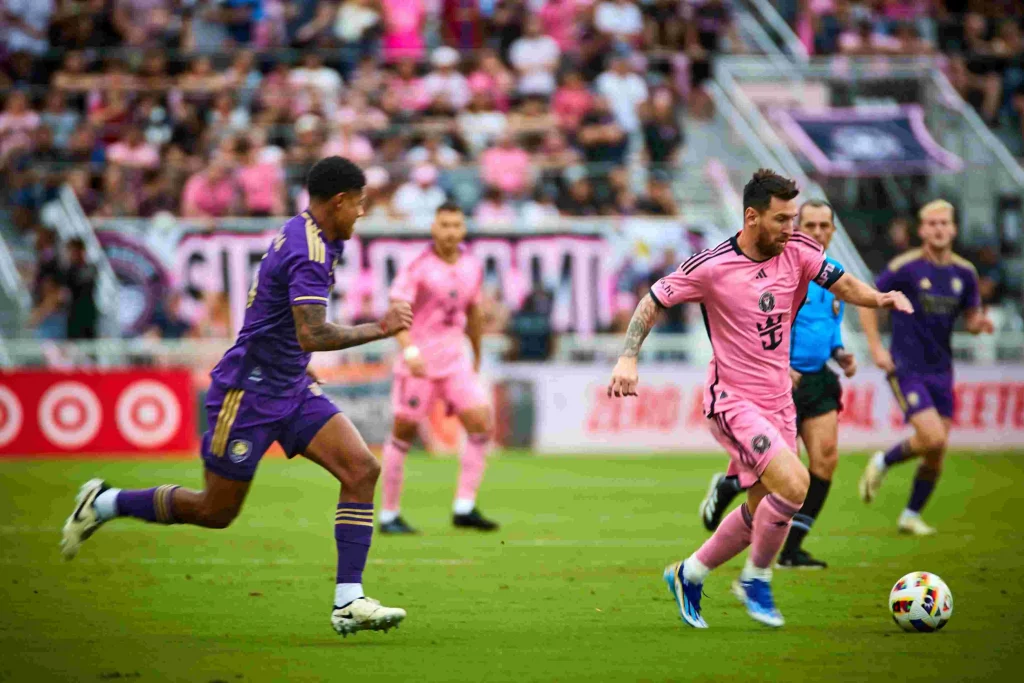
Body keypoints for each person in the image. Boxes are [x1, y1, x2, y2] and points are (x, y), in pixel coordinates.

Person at [61, 157, 415, 638]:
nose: (361, 213)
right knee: (215, 511)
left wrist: (294, 357)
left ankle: (348, 599)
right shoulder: (308, 251)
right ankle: (105, 503)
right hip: (246, 394)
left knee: (361, 469)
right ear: (339, 201)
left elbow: (283, 324)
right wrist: (381, 328)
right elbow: (311, 332)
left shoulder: (309, 233)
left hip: (289, 384)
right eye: (359, 203)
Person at [607, 169, 913, 628]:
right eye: (782, 219)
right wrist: (628, 357)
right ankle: (756, 579)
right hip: (732, 400)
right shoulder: (710, 267)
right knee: (796, 484)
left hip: (779, 399)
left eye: (795, 218)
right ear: (751, 217)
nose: (792, 229)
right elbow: (652, 300)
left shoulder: (800, 251)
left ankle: (689, 573)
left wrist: (878, 299)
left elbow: (840, 282)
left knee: (762, 507)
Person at [698, 200, 857, 570]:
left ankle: (792, 547)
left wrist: (840, 351)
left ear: (833, 230)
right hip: (773, 381)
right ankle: (728, 487)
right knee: (777, 476)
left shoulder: (833, 278)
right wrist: (782, 365)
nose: (817, 232)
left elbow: (827, 327)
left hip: (818, 378)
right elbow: (761, 326)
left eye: (824, 226)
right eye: (810, 225)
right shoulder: (788, 267)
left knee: (825, 460)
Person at [857, 200, 994, 535]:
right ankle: (882, 461)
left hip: (942, 369)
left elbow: (972, 317)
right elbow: (867, 300)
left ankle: (910, 515)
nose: (938, 228)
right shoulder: (905, 267)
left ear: (954, 228)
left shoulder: (965, 273)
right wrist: (876, 347)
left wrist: (979, 325)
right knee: (931, 437)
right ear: (921, 230)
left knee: (936, 451)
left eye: (944, 223)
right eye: (931, 223)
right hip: (906, 365)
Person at [379, 202, 498, 534]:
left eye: (456, 225)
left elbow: (473, 313)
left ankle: (464, 506)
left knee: (480, 423)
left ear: (463, 229)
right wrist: (410, 350)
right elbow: (396, 314)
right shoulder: (417, 267)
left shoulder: (472, 266)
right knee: (403, 433)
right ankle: (389, 514)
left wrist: (476, 355)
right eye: (444, 225)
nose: (450, 231)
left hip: (455, 361)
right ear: (434, 228)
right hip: (419, 364)